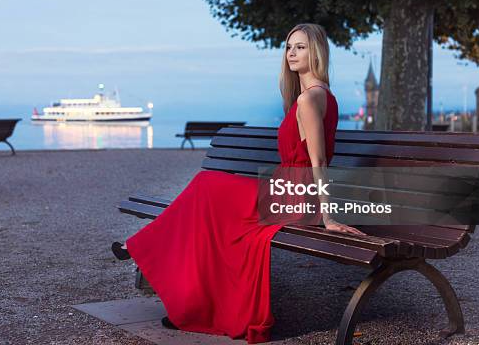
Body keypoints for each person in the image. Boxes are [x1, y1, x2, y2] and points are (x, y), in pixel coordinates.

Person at [111, 23, 364, 343]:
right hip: (288, 191)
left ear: (316, 52)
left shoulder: (309, 100)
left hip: (295, 198)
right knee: (208, 209)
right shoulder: (318, 96)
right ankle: (175, 285)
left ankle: (148, 257)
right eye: (289, 47)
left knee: (206, 187)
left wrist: (328, 217)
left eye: (300, 47)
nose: (292, 54)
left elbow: (319, 162)